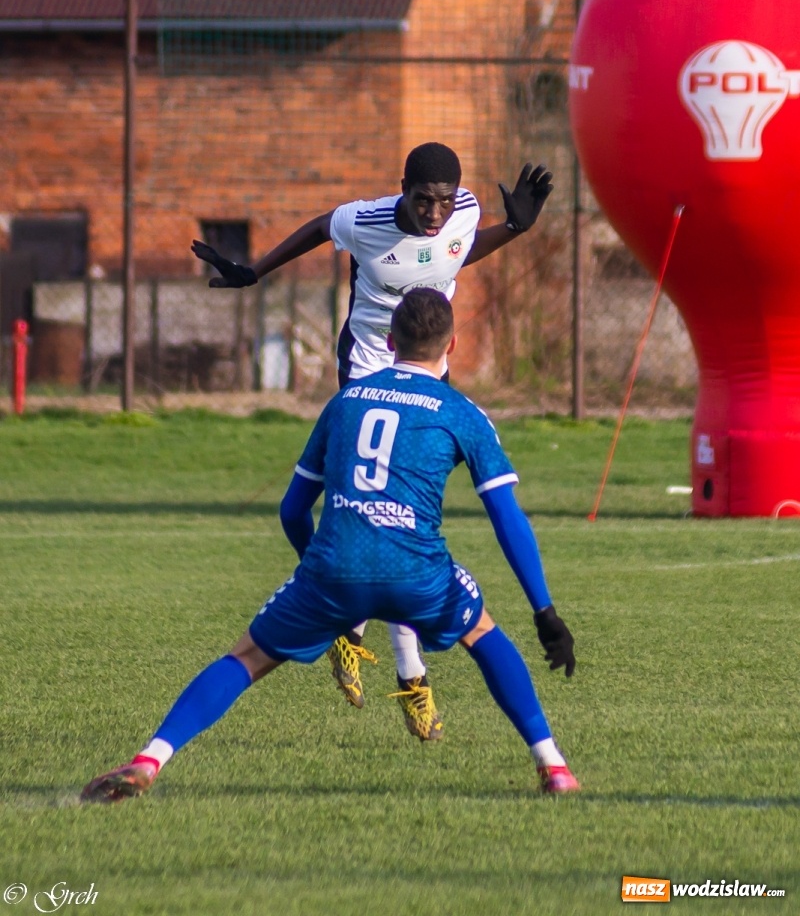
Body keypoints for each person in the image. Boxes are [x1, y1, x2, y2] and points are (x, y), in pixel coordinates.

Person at [81, 290, 579, 805]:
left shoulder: (346, 400)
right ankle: (554, 767)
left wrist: (320, 577)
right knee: (481, 630)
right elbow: (506, 517)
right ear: (452, 344)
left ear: (390, 342)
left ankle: (149, 760)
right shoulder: (462, 412)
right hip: (418, 573)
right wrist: (544, 612)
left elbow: (292, 510)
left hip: (332, 570)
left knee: (247, 658)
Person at [191, 142, 553, 740]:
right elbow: (316, 228)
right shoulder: (366, 221)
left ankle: (351, 631)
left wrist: (513, 228)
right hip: (364, 375)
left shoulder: (461, 211)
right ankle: (410, 678)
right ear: (402, 190)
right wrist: (256, 270)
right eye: (423, 200)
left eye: (443, 200)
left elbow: (458, 253)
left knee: (399, 530)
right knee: (390, 529)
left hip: (426, 370)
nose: (435, 212)